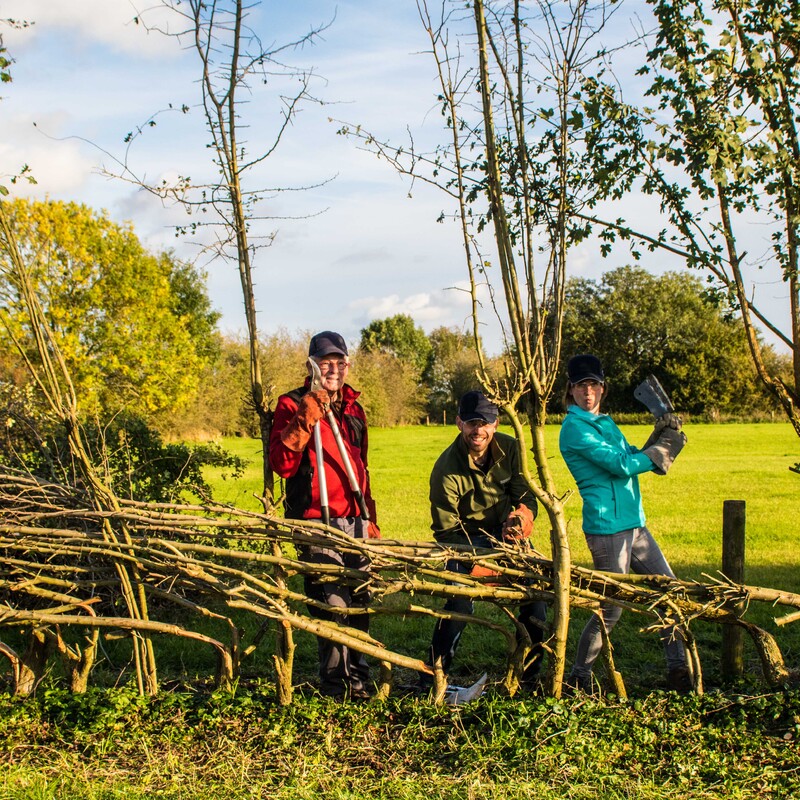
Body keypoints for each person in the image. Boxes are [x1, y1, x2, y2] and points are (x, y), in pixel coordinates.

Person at [558, 353, 692, 694]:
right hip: (607, 530)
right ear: (570, 391)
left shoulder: (604, 422)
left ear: (602, 388)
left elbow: (631, 453)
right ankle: (579, 675)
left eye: (594, 384)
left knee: (668, 592)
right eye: (581, 386)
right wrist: (662, 451)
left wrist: (658, 436)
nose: (588, 392)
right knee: (611, 607)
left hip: (635, 523)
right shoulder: (574, 429)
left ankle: (679, 670)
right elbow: (620, 465)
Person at [269, 330, 379, 700]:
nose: (333, 369)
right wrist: (306, 415)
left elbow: (362, 468)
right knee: (332, 603)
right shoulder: (291, 403)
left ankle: (360, 679)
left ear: (347, 365)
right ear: (311, 365)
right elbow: (283, 465)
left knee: (360, 599)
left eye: (339, 362)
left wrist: (371, 518)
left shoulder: (354, 409)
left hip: (355, 518)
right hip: (317, 520)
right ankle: (336, 686)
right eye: (325, 362)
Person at [422, 390, 547, 691]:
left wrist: (521, 520)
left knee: (537, 601)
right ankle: (431, 677)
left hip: (507, 538)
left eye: (485, 423)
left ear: (496, 423)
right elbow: (445, 532)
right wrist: (479, 565)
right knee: (458, 604)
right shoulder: (445, 470)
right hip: (464, 543)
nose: (478, 430)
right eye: (471, 422)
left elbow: (527, 496)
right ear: (459, 423)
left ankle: (528, 677)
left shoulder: (512, 449)